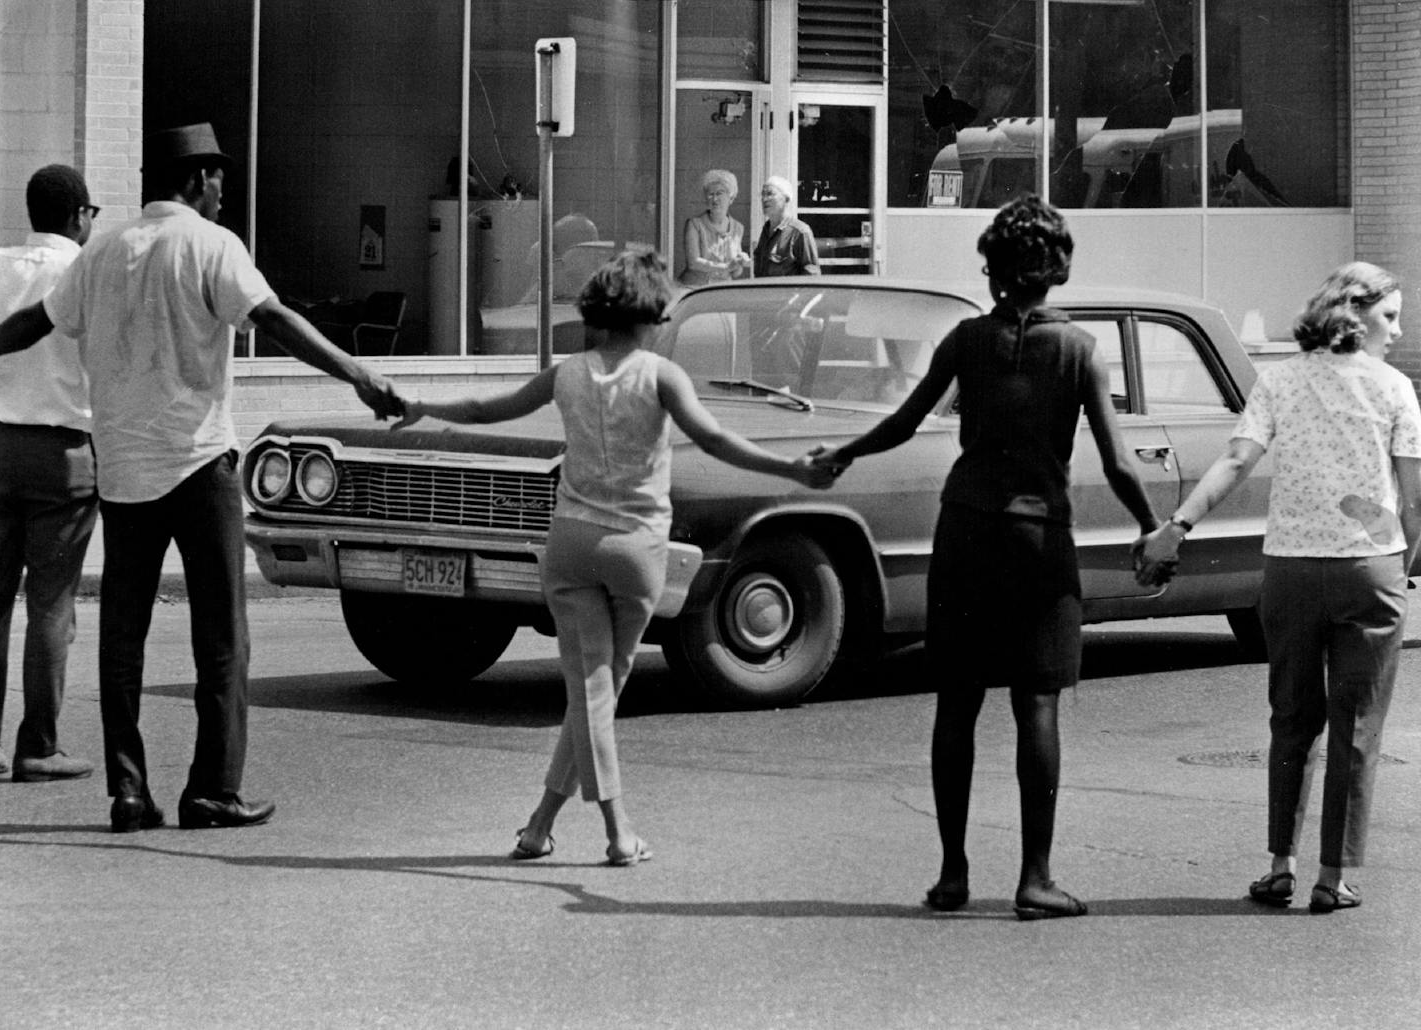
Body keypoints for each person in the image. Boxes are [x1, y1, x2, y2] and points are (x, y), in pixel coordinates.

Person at [0, 123, 403, 833]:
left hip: (122, 470)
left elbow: (32, 323)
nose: (223, 193)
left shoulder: (104, 253)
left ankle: (128, 791)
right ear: (197, 180)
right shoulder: (213, 247)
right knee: (221, 635)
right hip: (197, 464)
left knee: (122, 634)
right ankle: (212, 790)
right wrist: (360, 372)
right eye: (218, 179)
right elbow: (274, 320)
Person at [395, 249, 835, 865]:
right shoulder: (660, 375)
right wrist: (790, 468)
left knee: (589, 693)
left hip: (570, 543)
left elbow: (481, 410)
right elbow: (713, 439)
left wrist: (420, 407)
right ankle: (617, 830)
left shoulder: (566, 373)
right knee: (599, 691)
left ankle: (538, 826)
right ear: (650, 316)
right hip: (636, 550)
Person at [811, 196, 1159, 919]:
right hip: (1039, 539)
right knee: (1037, 703)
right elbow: (1120, 462)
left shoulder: (966, 340)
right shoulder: (1079, 351)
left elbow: (905, 422)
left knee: (957, 702)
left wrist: (842, 452)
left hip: (966, 530)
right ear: (1056, 269)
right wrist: (1154, 529)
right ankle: (1035, 879)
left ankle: (951, 874)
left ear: (994, 266)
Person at [1134, 261, 1421, 914]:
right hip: (1369, 571)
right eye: (1391, 316)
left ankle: (1279, 867)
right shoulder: (1396, 390)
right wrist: (1398, 563)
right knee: (1359, 729)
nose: (1398, 331)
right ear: (1358, 312)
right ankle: (1334, 876)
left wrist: (1178, 525)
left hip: (1290, 573)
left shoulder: (1280, 384)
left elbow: (1236, 460)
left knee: (1291, 721)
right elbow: (1413, 504)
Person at [0, 165, 99, 783]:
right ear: (79, 215)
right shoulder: (84, 274)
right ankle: (39, 743)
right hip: (62, 453)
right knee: (51, 605)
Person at [681, 169, 750, 285]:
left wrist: (740, 262)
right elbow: (693, 263)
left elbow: (736, 273)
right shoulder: (694, 224)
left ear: (731, 198)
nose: (714, 199)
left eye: (719, 193)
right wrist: (726, 267)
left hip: (721, 291)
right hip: (695, 290)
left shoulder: (738, 228)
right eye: (710, 194)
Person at [752, 176, 820, 278]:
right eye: (763, 194)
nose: (764, 199)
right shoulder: (766, 230)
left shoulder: (800, 232)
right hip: (764, 293)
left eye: (770, 194)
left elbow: (812, 273)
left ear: (786, 198)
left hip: (787, 293)